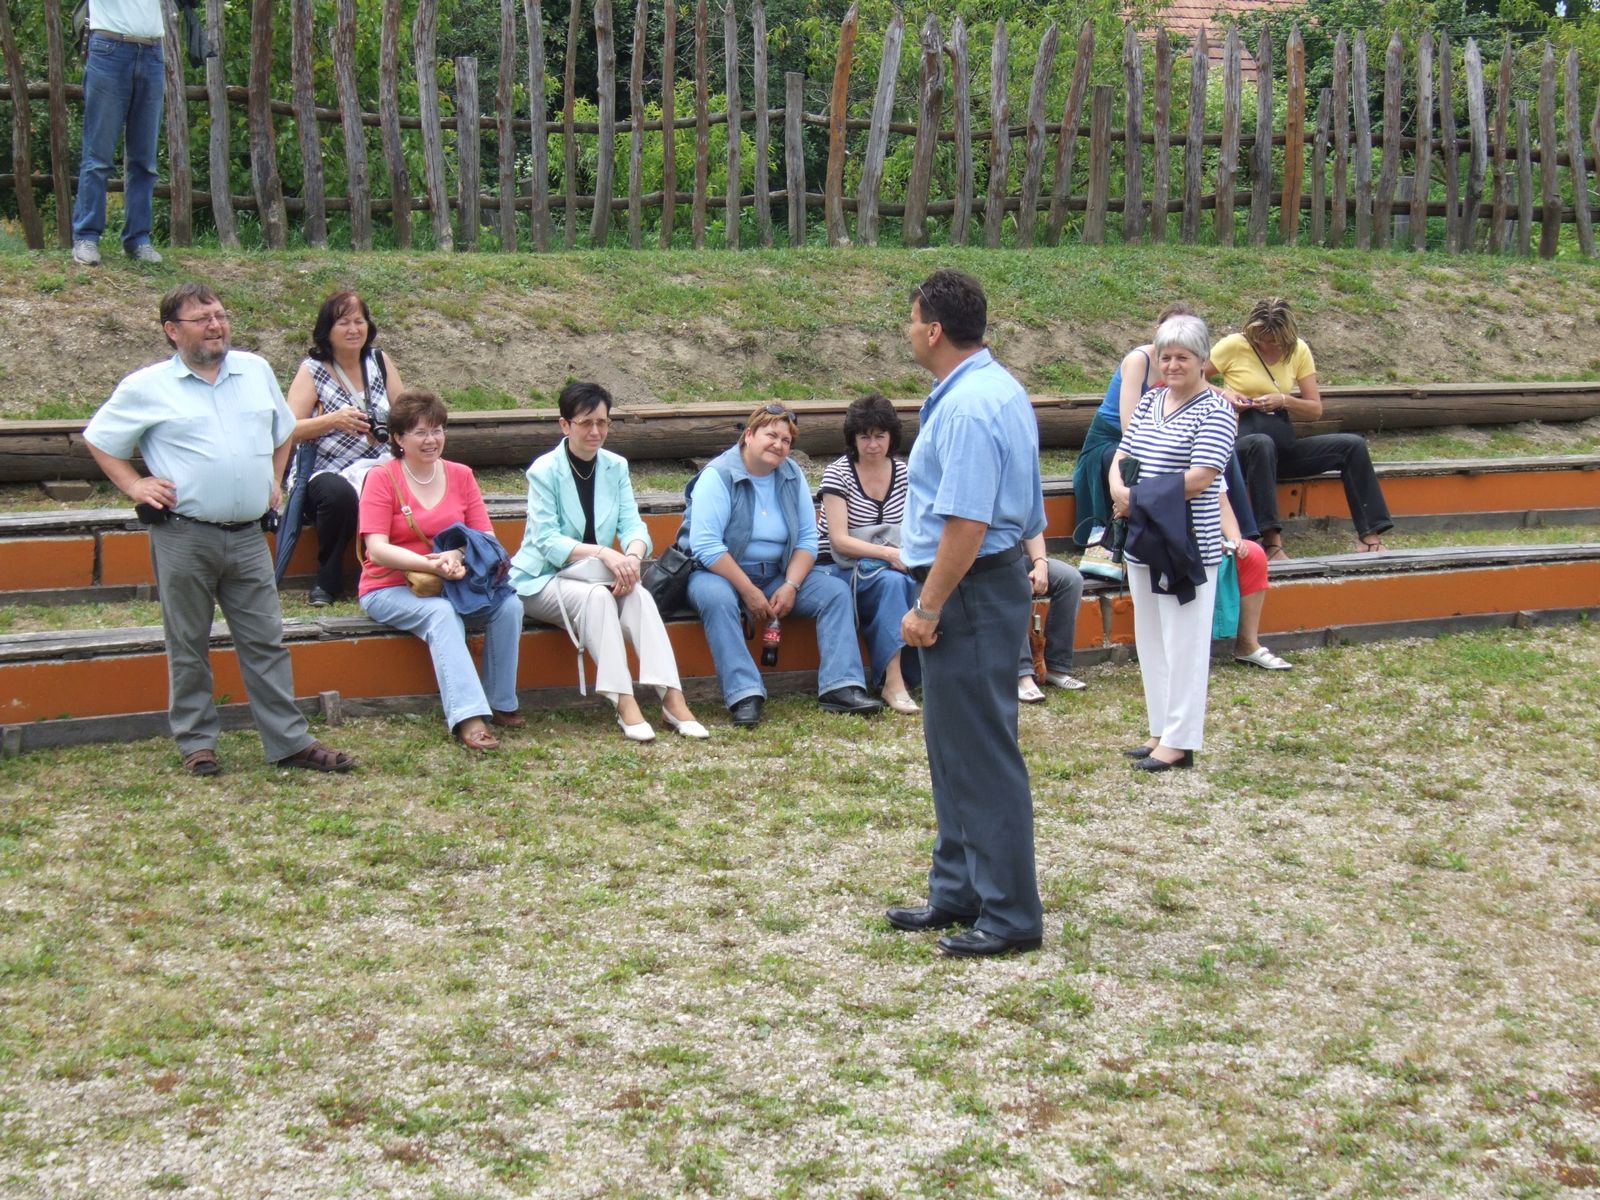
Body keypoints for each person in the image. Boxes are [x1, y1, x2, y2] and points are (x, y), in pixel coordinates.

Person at [83, 283, 355, 776]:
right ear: (172, 330)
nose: (216, 326)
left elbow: (283, 431)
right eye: (202, 319)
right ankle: (197, 743)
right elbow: (100, 440)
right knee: (188, 642)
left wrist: (274, 479)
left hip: (249, 535)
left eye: (221, 315)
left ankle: (289, 742)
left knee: (266, 641)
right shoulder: (147, 386)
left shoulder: (254, 370)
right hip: (184, 534)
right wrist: (135, 484)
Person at [886, 269, 1045, 959]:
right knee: (952, 746)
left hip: (969, 589)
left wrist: (929, 606)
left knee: (980, 753)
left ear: (933, 330)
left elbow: (967, 523)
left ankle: (1009, 913)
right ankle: (959, 889)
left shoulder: (971, 406)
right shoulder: (987, 389)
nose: (907, 330)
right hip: (977, 584)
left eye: (911, 319)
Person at [511, 381, 707, 742]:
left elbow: (634, 526)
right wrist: (604, 553)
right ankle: (624, 702)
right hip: (541, 580)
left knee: (639, 596)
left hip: (593, 576)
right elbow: (547, 541)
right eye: (586, 423)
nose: (595, 431)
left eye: (602, 422)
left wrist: (632, 557)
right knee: (599, 598)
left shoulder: (615, 467)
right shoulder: (544, 470)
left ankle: (672, 699)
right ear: (565, 425)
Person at [682, 403, 884, 727]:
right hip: (718, 573)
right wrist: (747, 590)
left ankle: (841, 686)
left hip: (777, 573)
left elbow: (807, 539)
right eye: (771, 435)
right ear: (749, 435)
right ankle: (745, 695)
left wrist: (791, 585)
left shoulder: (791, 475)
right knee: (717, 600)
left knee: (834, 592)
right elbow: (706, 546)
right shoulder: (718, 475)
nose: (778, 445)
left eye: (786, 440)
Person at [357, 390, 524, 751]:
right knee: (441, 614)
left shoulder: (461, 475)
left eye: (437, 430)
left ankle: (500, 699)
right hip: (389, 586)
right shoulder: (382, 478)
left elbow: (484, 536)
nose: (431, 440)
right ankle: (469, 716)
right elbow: (377, 549)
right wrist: (432, 563)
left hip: (454, 580)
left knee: (510, 605)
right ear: (398, 438)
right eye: (420, 432)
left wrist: (455, 556)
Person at [1109, 313, 1236, 773]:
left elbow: (1201, 477)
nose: (1173, 365)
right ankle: (1160, 728)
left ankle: (1180, 741)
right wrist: (1117, 488)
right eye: (1166, 357)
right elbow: (1124, 452)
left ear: (1202, 360)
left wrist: (1136, 497)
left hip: (1187, 542)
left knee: (1184, 642)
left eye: (1183, 357)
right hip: (1145, 536)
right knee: (1151, 638)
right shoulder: (1151, 400)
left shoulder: (1217, 410)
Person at [1211, 297, 1393, 558]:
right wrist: (1225, 394)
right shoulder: (1233, 345)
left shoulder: (1299, 350)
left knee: (1352, 446)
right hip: (1244, 448)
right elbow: (1196, 378)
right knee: (1261, 443)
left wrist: (1284, 400)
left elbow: (1314, 409)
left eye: (1274, 340)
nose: (1266, 344)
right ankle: (1271, 543)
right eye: (1261, 339)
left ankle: (1369, 536)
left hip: (1282, 445)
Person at [281, 292, 406, 604]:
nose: (353, 329)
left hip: (377, 463)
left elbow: (407, 414)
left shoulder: (379, 361)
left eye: (359, 321)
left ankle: (399, 570)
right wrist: (332, 421)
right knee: (338, 495)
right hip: (325, 468)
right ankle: (328, 577)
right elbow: (287, 430)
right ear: (327, 330)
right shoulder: (313, 369)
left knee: (399, 486)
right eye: (344, 323)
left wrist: (385, 433)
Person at [813, 393, 921, 715]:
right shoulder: (838, 473)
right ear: (853, 439)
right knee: (893, 583)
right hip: (840, 566)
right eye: (864, 436)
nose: (873, 444)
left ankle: (922, 673)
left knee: (921, 581)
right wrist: (889, 555)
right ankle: (893, 682)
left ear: (891, 437)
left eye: (880, 436)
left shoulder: (904, 473)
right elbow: (839, 541)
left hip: (889, 563)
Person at [71, 0, 166, 266]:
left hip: (152, 50)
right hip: (109, 47)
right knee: (98, 156)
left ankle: (138, 240)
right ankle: (86, 236)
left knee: (145, 161)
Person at [1015, 535, 1087, 702]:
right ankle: (1022, 674)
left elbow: (1034, 529)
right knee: (1017, 584)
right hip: (985, 565)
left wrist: (1040, 564)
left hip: (1015, 559)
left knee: (1070, 579)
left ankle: (1055, 667)